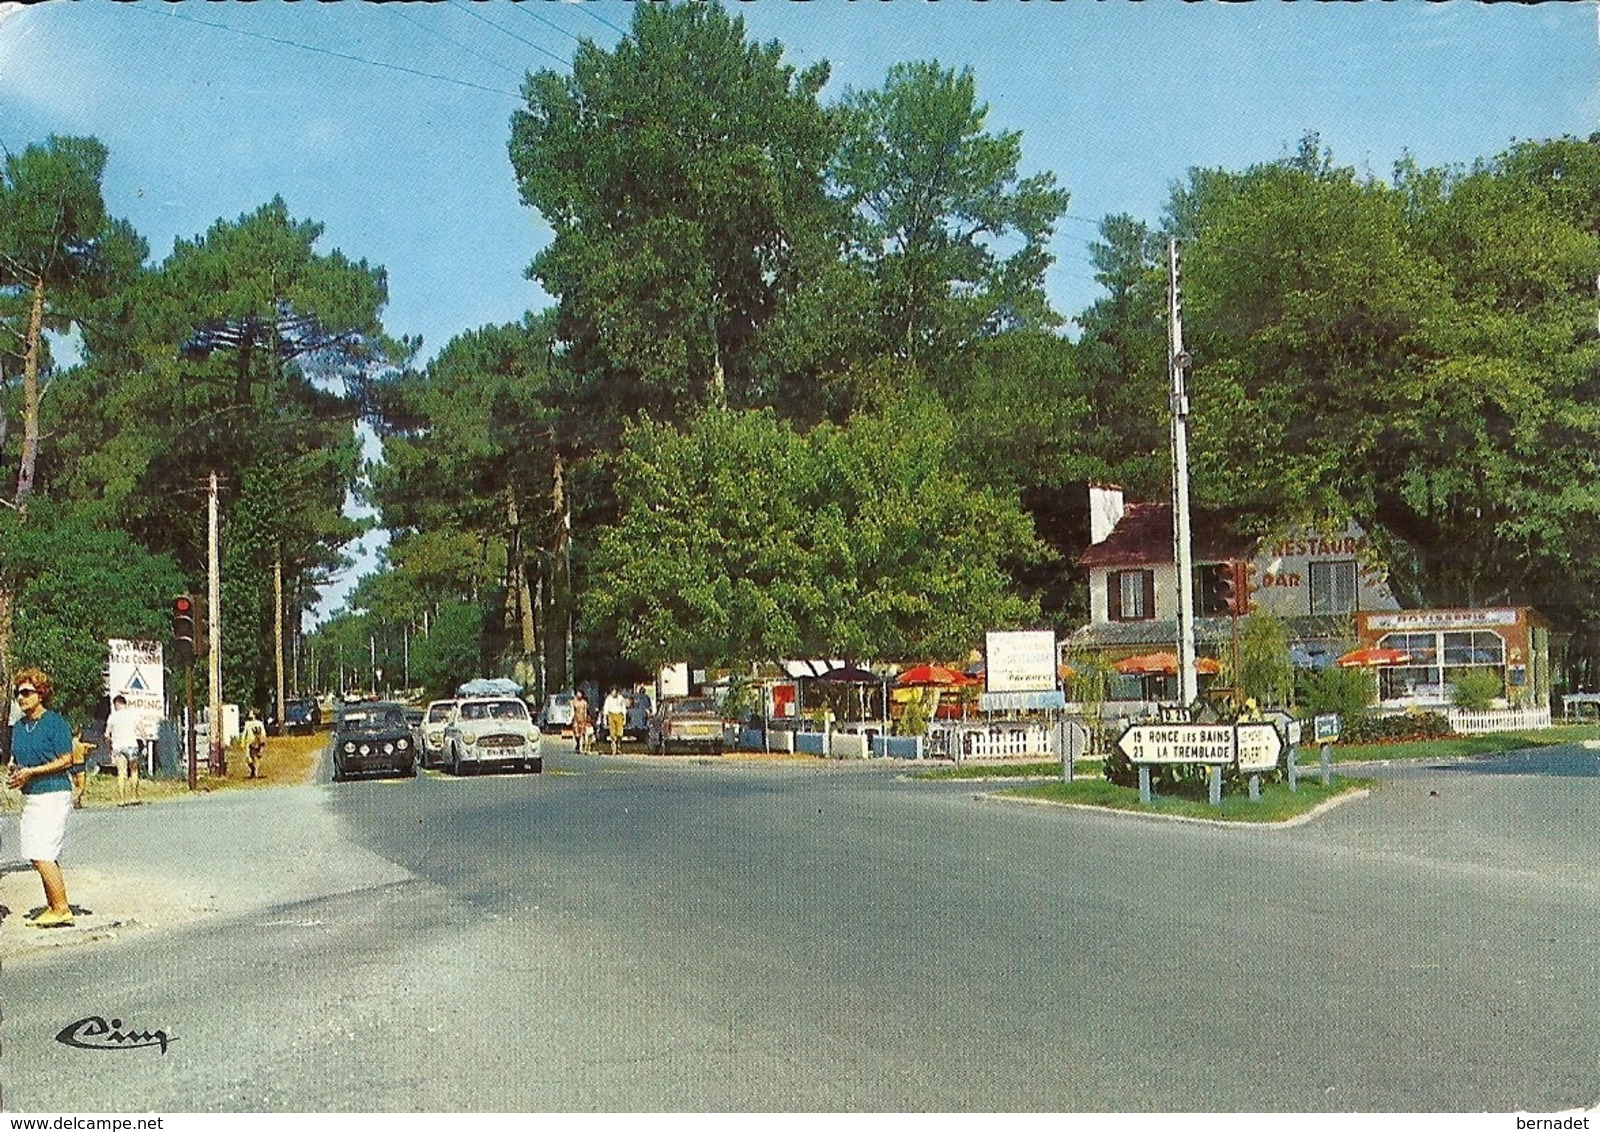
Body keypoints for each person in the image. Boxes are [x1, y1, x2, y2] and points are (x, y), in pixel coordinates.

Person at [9, 668, 77, 928]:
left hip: (54, 792)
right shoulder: (19, 727)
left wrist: (33, 772)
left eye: (26, 692)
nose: (21, 698)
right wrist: (17, 774)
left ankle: (61, 908)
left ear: (41, 694)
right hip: (32, 795)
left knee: (43, 851)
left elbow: (66, 759)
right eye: (18, 694)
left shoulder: (55, 723)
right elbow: (19, 761)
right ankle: (53, 904)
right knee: (34, 850)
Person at [105, 693, 144, 805]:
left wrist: (109, 745)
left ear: (116, 704)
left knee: (121, 772)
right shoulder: (133, 714)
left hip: (118, 746)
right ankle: (134, 797)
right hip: (132, 745)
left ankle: (122, 799)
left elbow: (107, 734)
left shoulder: (113, 717)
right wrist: (144, 742)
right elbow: (141, 728)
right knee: (134, 771)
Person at [242, 707, 268, 779]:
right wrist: (243, 741)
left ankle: (255, 771)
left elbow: (263, 733)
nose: (249, 714)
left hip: (257, 742)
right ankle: (252, 769)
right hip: (249, 743)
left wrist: (263, 741)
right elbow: (245, 733)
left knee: (256, 757)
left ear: (254, 714)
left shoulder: (259, 723)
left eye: (251, 713)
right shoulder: (248, 723)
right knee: (248, 758)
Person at [603, 687, 627, 756]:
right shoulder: (608, 698)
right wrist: (605, 718)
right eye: (613, 691)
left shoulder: (620, 698)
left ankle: (619, 747)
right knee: (612, 734)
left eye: (615, 691)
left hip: (619, 715)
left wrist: (624, 718)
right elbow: (606, 708)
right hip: (611, 715)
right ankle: (613, 749)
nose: (614, 693)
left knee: (619, 734)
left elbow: (623, 707)